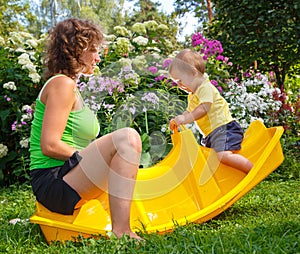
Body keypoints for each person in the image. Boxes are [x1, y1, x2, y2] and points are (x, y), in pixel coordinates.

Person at [29, 18, 143, 240]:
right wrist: (86, 158)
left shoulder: (69, 86)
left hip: (67, 176)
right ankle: (123, 232)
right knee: (127, 139)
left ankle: (123, 223)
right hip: (55, 181)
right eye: (92, 50)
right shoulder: (62, 84)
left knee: (124, 155)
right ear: (75, 50)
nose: (97, 57)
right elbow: (49, 144)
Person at [168, 49, 253, 173]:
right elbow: (189, 111)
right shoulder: (192, 95)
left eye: (180, 81)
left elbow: (203, 108)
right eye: (176, 83)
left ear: (193, 73)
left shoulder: (205, 87)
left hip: (225, 129)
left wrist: (186, 119)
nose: (179, 85)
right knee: (211, 161)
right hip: (212, 135)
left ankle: (251, 169)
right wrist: (180, 119)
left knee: (223, 156)